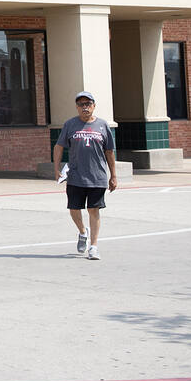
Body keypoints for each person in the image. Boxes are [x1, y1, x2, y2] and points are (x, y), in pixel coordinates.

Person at [51, 90, 117, 259]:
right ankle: (82, 232)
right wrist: (56, 169)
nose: (84, 107)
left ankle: (94, 246)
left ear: (94, 106)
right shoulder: (70, 125)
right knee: (74, 209)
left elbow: (109, 151)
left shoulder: (102, 125)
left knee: (93, 210)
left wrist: (113, 175)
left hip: (97, 176)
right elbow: (58, 147)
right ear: (77, 107)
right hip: (75, 176)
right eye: (81, 104)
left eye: (88, 104)